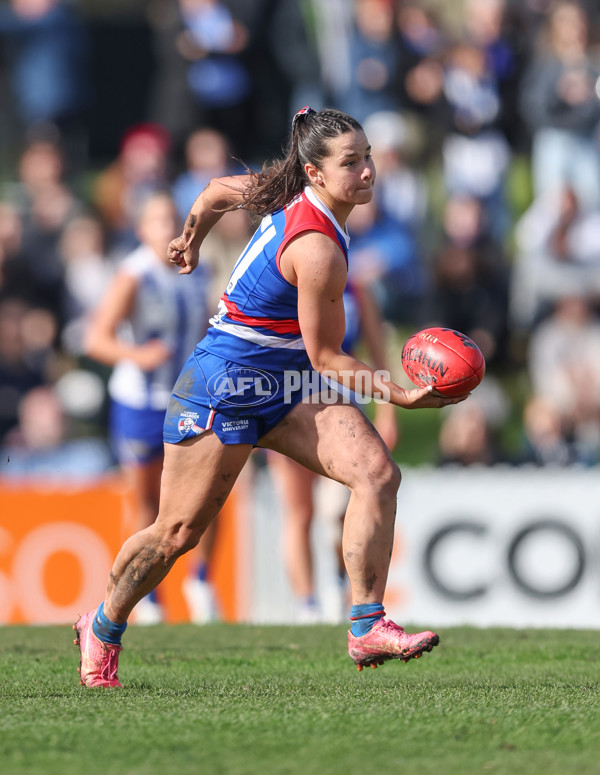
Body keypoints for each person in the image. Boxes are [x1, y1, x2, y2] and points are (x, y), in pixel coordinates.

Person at [73, 106, 469, 687]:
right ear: (314, 172)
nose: (367, 173)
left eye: (368, 159)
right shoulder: (319, 251)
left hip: (284, 383)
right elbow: (328, 358)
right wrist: (399, 397)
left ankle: (366, 625)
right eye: (351, 163)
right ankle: (102, 625)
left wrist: (191, 240)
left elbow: (211, 192)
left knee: (377, 475)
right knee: (177, 534)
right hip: (226, 383)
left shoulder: (281, 190)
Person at [84, 190, 218, 624]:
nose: (167, 227)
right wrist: (139, 356)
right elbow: (96, 339)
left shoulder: (197, 270)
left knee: (205, 497)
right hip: (140, 403)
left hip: (189, 400)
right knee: (148, 506)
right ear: (142, 229)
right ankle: (147, 600)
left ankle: (201, 583)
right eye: (157, 219)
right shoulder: (134, 275)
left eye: (172, 218)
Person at [268, 281, 398, 624]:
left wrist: (386, 409)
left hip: (341, 409)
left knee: (343, 509)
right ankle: (307, 604)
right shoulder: (281, 286)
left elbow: (375, 349)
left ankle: (340, 583)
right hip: (290, 406)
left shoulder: (358, 291)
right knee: (300, 513)